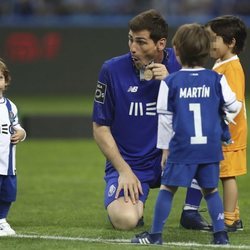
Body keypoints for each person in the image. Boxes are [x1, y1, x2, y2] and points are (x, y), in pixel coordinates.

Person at [131, 23, 242, 245]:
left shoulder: (170, 82)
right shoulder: (215, 79)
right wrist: (221, 114)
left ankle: (155, 236)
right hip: (210, 148)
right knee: (210, 191)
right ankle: (221, 235)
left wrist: (165, 150)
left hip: (183, 148)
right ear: (205, 51)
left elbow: (165, 119)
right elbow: (235, 106)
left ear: (178, 53)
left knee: (168, 188)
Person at [92, 9, 182, 230]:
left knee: (214, 156)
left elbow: (201, 109)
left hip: (171, 160)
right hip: (131, 164)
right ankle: (135, 202)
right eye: (131, 40)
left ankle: (191, 211)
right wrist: (123, 170)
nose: (133, 48)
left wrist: (172, 83)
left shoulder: (180, 66)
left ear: (160, 44)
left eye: (141, 42)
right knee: (126, 221)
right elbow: (100, 127)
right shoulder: (111, 70)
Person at [181, 15, 247, 232]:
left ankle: (230, 220)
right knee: (218, 172)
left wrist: (217, 122)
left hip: (229, 134)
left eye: (214, 39)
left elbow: (235, 104)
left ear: (231, 42)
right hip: (221, 133)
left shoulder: (232, 68)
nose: (210, 44)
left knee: (227, 176)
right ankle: (231, 216)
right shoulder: (221, 64)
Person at [0, 59, 26, 236]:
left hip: (8, 162)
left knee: (7, 193)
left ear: (6, 80)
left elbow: (17, 127)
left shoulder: (10, 106)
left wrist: (21, 134)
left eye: (0, 77)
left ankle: (2, 220)